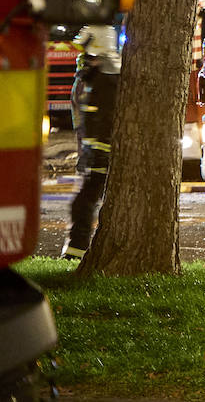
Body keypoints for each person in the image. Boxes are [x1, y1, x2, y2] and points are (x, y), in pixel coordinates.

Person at [62, 19, 123, 260]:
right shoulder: (100, 79)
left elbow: (105, 124)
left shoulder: (106, 83)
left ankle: (76, 254)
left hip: (103, 158)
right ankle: (78, 253)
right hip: (99, 156)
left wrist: (97, 155)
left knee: (83, 204)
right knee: (86, 203)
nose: (82, 60)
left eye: (86, 55)